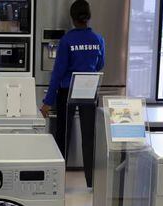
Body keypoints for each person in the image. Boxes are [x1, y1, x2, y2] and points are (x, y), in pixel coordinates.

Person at [41, 0, 105, 188]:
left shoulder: (67, 40)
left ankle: (58, 183)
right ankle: (91, 183)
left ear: (72, 18)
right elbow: (100, 65)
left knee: (63, 136)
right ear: (88, 17)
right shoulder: (98, 39)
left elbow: (58, 73)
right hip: (90, 90)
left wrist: (47, 102)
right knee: (89, 137)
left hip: (67, 91)